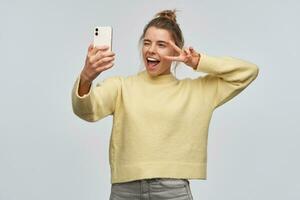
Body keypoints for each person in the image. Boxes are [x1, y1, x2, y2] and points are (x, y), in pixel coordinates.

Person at [71, 9, 259, 200]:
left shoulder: (196, 91)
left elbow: (247, 72)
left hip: (172, 190)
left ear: (176, 49)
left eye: (161, 44)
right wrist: (86, 77)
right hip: (125, 191)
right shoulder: (121, 87)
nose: (151, 50)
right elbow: (85, 111)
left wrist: (197, 61)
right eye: (147, 43)